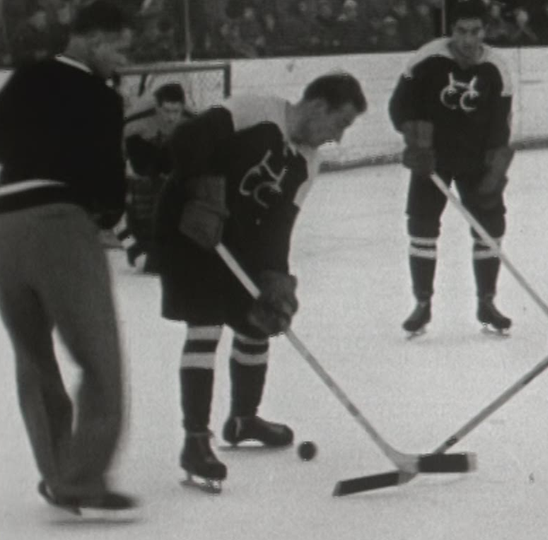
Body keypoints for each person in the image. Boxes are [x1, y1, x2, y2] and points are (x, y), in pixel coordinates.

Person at [154, 72, 367, 493]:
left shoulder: (309, 161)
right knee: (206, 322)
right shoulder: (255, 110)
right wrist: (205, 193)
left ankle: (243, 418)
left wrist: (276, 278)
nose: (337, 137)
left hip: (238, 236)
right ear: (318, 106)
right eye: (339, 124)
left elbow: (279, 224)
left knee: (258, 319)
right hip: (188, 225)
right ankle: (195, 441)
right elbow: (188, 140)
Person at [0, 0, 138, 518]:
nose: (122, 62)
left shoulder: (23, 78)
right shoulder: (101, 98)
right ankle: (81, 479)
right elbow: (107, 186)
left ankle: (59, 474)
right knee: (98, 357)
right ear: (95, 40)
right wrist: (111, 215)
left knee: (33, 359)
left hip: (4, 221)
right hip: (58, 224)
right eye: (120, 49)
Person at [388, 0, 515, 337]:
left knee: (491, 226)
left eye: (475, 32)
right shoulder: (428, 58)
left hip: (475, 161)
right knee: (422, 225)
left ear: (484, 32)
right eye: (461, 31)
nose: (468, 40)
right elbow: (399, 106)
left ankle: (486, 301)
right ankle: (422, 303)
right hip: (433, 160)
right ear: (451, 32)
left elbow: (501, 128)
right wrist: (415, 140)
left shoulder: (496, 69)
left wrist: (495, 171)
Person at [116, 82, 191, 273]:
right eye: (166, 111)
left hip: (169, 151)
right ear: (157, 107)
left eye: (176, 111)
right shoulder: (134, 122)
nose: (171, 117)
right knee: (139, 192)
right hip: (141, 150)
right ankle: (134, 241)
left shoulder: (192, 120)